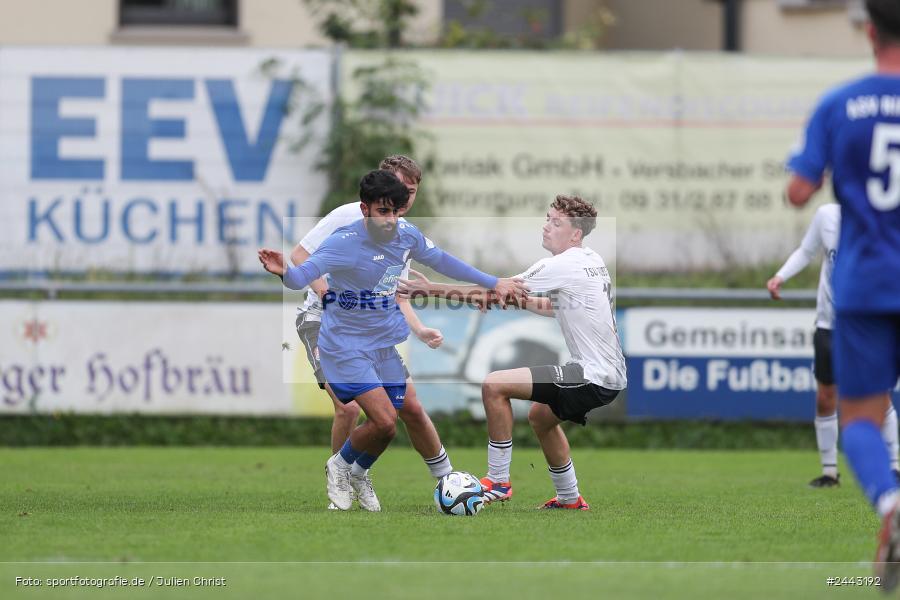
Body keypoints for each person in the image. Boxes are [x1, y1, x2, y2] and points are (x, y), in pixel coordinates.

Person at [259, 169, 525, 512]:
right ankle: (339, 468)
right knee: (383, 419)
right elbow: (302, 275)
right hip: (345, 344)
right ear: (365, 208)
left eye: (395, 211)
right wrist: (285, 272)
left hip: (382, 344)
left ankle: (358, 471)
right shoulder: (343, 242)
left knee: (388, 428)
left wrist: (491, 282)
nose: (390, 220)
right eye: (383, 211)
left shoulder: (407, 235)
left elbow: (443, 260)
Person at [400, 195, 626, 510]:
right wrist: (510, 299)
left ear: (576, 234)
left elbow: (497, 291)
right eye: (547, 218)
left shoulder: (562, 264)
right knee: (541, 417)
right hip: (607, 374)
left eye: (556, 222)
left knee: (495, 385)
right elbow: (549, 306)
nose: (546, 227)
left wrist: (430, 290)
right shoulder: (591, 260)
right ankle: (570, 498)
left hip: (593, 374)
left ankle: (498, 481)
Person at [784, 0, 900, 587]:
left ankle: (890, 504)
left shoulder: (839, 103)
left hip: (867, 284)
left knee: (859, 414)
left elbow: (799, 191)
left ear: (870, 30)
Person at [290, 156, 453, 510]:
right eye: (400, 190)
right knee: (347, 407)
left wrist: (420, 328)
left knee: (408, 405)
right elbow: (300, 254)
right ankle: (342, 484)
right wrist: (328, 296)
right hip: (323, 321)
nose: (405, 199)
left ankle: (449, 481)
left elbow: (392, 290)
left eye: (411, 193)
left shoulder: (399, 231)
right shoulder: (349, 215)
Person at [767, 204, 900, 488]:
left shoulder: (885, 218)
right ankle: (830, 473)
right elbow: (806, 250)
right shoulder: (827, 216)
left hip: (867, 324)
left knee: (879, 395)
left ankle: (894, 466)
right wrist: (780, 276)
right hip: (830, 324)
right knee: (826, 396)